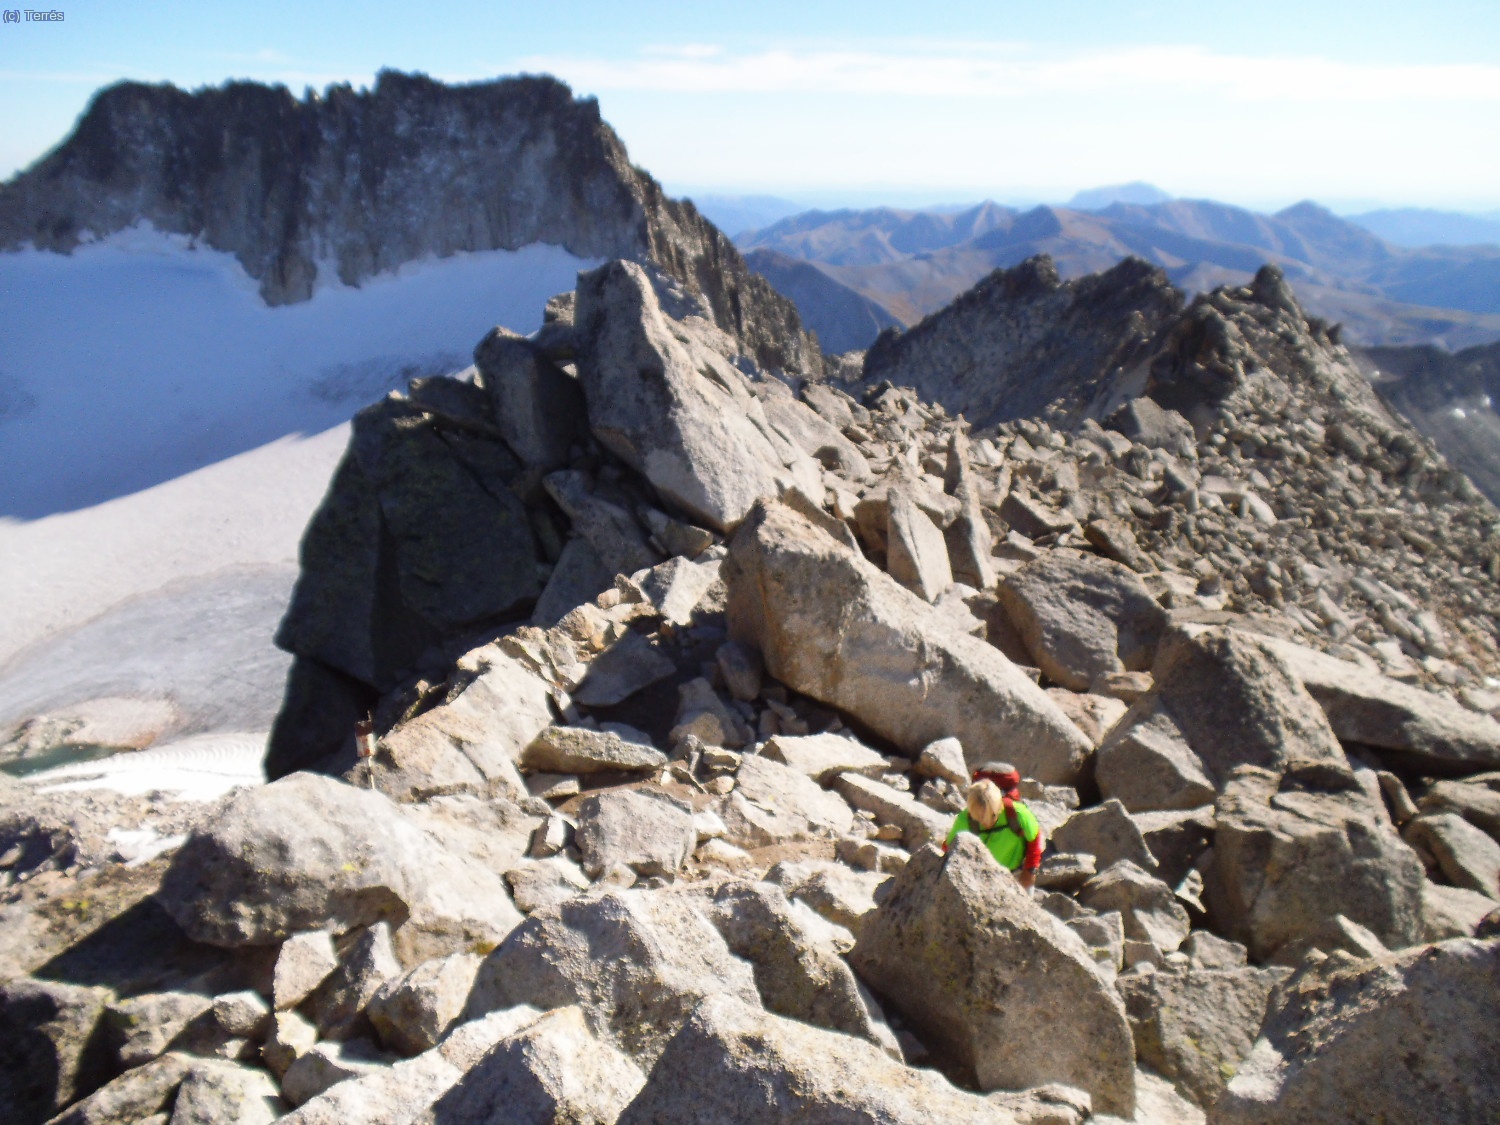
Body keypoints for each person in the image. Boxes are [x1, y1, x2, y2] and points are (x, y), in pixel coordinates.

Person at [943, 761, 1043, 889]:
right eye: (979, 818)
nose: (986, 823)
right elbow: (948, 848)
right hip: (979, 877)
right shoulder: (965, 819)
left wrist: (1030, 871)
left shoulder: (1017, 813)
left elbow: (1035, 838)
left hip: (1015, 874)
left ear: (999, 807)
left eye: (993, 816)